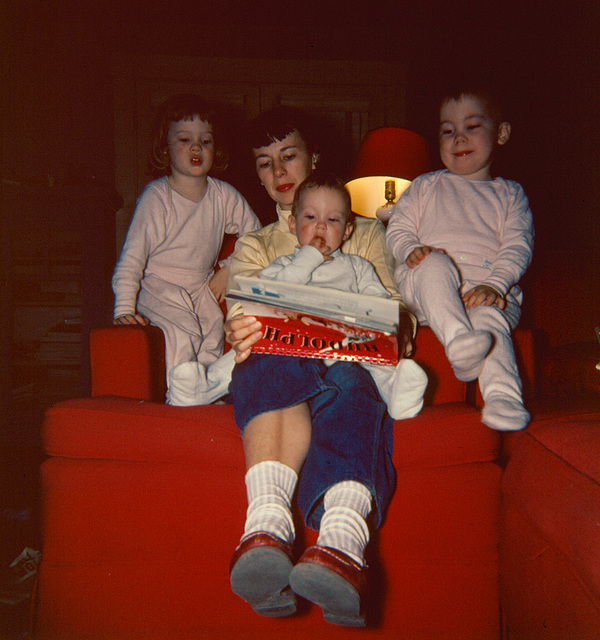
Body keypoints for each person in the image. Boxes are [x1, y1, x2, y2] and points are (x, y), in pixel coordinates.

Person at [222, 106, 416, 627]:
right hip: (279, 366)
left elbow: (396, 310)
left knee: (353, 381)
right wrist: (240, 330)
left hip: (347, 363)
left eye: (288, 156)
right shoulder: (259, 243)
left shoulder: (366, 237)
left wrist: (382, 333)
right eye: (264, 163)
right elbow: (241, 308)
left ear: (314, 158)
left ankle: (343, 547)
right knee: (265, 356)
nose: (278, 172)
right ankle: (263, 531)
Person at [169, 172, 427, 419]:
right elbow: (268, 298)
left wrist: (376, 325)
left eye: (333, 220)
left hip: (342, 345)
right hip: (289, 344)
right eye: (311, 217)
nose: (322, 226)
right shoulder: (283, 264)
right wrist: (309, 258)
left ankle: (396, 393)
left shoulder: (358, 266)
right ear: (293, 224)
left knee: (375, 359)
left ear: (348, 230)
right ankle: (202, 388)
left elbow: (378, 305)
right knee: (244, 355)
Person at [386, 86, 534, 431]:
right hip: (429, 290)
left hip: (487, 289)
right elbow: (398, 228)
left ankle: (503, 400)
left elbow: (517, 247)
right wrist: (410, 249)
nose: (458, 139)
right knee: (434, 264)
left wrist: (495, 285)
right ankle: (458, 343)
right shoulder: (425, 186)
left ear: (501, 133)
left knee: (489, 318)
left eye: (472, 127)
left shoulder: (510, 195)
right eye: (447, 131)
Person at [111, 94, 260, 397]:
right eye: (184, 139)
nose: (196, 147)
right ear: (164, 147)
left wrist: (228, 269)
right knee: (180, 333)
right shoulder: (157, 197)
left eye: (205, 141)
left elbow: (255, 236)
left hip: (200, 286)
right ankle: (176, 394)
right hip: (159, 287)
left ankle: (202, 394)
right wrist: (124, 309)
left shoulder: (224, 196)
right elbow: (131, 259)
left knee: (212, 334)